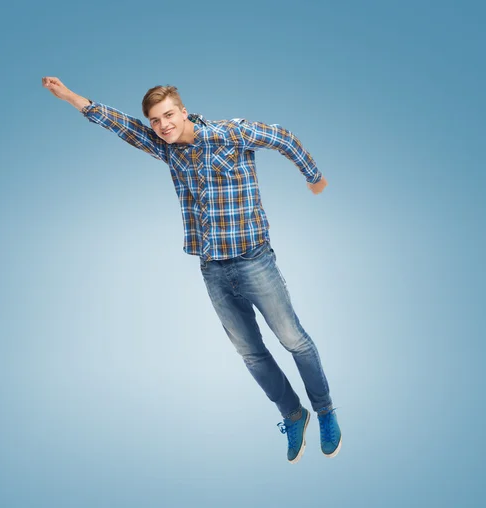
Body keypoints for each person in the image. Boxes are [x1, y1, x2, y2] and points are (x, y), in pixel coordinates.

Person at [41, 76, 342, 464]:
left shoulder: (229, 133)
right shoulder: (168, 151)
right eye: (155, 120)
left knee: (293, 340)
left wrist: (313, 176)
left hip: (254, 260)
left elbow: (282, 137)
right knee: (251, 354)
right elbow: (120, 125)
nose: (162, 125)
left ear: (183, 112)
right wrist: (69, 97)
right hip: (213, 269)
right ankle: (293, 414)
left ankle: (325, 411)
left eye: (168, 115)